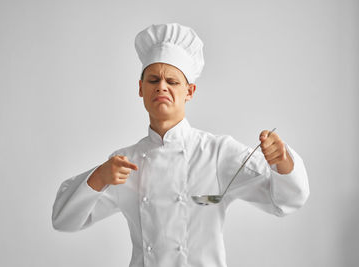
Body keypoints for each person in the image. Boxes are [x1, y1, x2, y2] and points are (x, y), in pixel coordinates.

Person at [52, 23, 310, 267]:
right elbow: (64, 220)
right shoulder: (124, 162)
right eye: (153, 80)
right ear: (141, 89)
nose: (162, 86)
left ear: (189, 91)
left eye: (172, 81)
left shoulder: (217, 153)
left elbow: (286, 201)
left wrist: (282, 162)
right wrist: (98, 177)